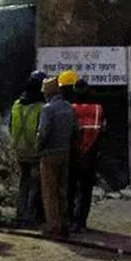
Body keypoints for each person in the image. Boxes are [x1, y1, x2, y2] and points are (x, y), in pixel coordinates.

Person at [37, 75, 77, 238]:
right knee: (62, 190)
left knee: (49, 192)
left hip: (49, 154)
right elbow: (75, 131)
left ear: (47, 93)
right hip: (65, 152)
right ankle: (65, 223)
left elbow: (43, 133)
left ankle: (53, 226)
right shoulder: (69, 107)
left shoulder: (47, 109)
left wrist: (38, 146)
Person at [9, 71, 46, 228]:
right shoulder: (41, 107)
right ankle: (29, 217)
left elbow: (11, 126)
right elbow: (43, 130)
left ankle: (20, 214)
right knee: (34, 184)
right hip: (35, 152)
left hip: (20, 150)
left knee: (23, 183)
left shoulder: (16, 104)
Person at [68, 79, 105, 232]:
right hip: (90, 156)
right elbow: (103, 131)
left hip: (73, 155)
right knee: (85, 191)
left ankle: (70, 221)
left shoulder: (70, 109)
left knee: (70, 190)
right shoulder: (98, 109)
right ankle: (81, 223)